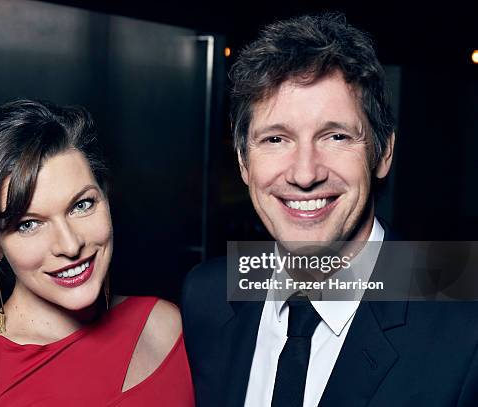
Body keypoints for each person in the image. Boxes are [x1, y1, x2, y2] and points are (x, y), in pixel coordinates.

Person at [181, 13, 478, 407]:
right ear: (243, 162)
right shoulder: (208, 294)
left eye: (336, 136)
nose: (305, 174)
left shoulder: (465, 323)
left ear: (383, 151)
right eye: (275, 139)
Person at [0, 100, 194, 406]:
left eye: (81, 205)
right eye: (29, 224)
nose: (70, 246)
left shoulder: (164, 325)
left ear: (106, 198)